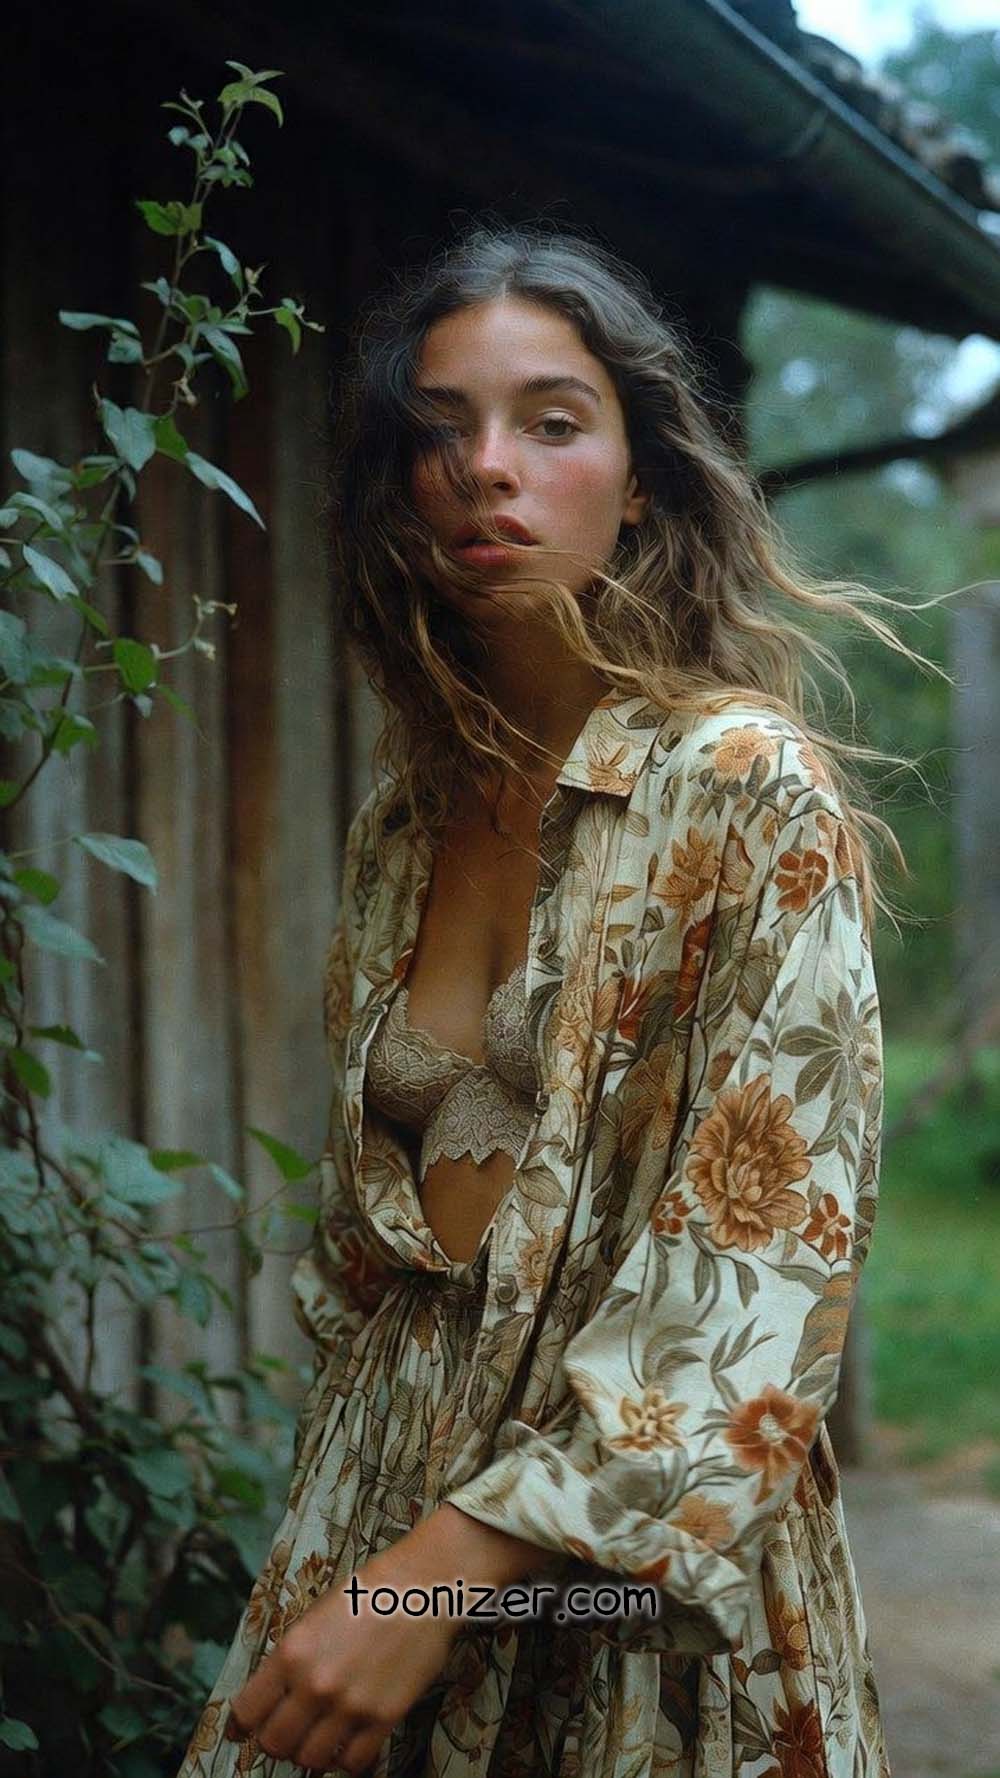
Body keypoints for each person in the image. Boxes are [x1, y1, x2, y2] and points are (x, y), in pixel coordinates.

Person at [176, 221, 916, 1777]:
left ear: (641, 478)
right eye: (439, 433)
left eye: (553, 422)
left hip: (623, 1591)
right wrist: (373, 1562)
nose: (487, 470)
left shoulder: (744, 788)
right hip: (375, 1533)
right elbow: (375, 1266)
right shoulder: (404, 822)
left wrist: (447, 1572)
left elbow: (758, 1271)